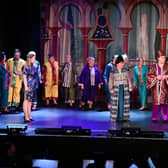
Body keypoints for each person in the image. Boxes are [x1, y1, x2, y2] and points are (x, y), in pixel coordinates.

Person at [109, 55, 132, 122]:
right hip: (116, 88)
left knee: (124, 102)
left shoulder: (126, 70)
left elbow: (129, 79)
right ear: (117, 63)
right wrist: (111, 88)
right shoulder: (113, 71)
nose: (121, 64)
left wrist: (130, 87)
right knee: (116, 103)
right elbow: (110, 80)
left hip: (124, 88)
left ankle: (123, 117)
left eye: (122, 63)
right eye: (120, 63)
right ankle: (115, 117)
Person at [147, 50, 168, 122]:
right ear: (158, 58)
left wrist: (166, 76)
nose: (163, 59)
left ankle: (165, 117)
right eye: (162, 57)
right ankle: (155, 117)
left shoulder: (167, 67)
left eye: (164, 58)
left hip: (164, 87)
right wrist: (156, 78)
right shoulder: (153, 67)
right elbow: (149, 76)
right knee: (156, 103)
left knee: (165, 102)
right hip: (156, 88)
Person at [23, 51, 38, 123]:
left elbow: (35, 76)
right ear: (30, 58)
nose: (35, 59)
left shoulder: (33, 66)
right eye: (34, 58)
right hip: (28, 85)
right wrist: (25, 86)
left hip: (33, 86)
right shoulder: (26, 66)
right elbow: (24, 77)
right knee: (26, 101)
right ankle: (26, 117)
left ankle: (29, 115)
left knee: (30, 101)